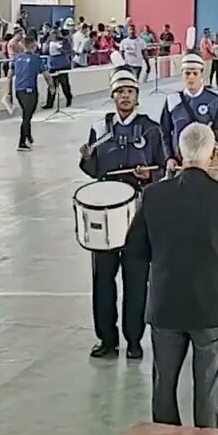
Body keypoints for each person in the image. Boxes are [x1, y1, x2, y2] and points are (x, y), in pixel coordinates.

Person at [122, 123, 218, 429]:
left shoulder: (154, 195)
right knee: (207, 388)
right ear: (213, 155)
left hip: (167, 304)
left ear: (180, 153)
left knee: (163, 386)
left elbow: (135, 248)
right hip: (213, 306)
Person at [79, 69, 165, 360]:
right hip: (105, 215)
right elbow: (92, 171)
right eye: (120, 91)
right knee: (103, 279)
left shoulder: (151, 130)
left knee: (136, 280)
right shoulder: (100, 129)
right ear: (113, 96)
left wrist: (148, 175)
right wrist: (87, 158)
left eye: (130, 91)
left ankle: (134, 339)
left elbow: (162, 168)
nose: (125, 96)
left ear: (137, 96)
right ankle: (106, 338)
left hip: (138, 214)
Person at [161, 52, 218, 180]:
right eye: (187, 73)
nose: (191, 77)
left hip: (207, 167)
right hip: (179, 166)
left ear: (202, 73)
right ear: (182, 74)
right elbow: (164, 132)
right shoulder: (172, 100)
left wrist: (211, 134)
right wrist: (169, 157)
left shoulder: (215, 101)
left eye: (195, 73)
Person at [11, 37, 49, 151]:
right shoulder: (36, 59)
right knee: (27, 116)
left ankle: (28, 134)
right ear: (33, 46)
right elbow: (46, 75)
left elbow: (10, 75)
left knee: (26, 114)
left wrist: (8, 92)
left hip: (19, 90)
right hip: (30, 91)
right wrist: (51, 86)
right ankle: (22, 142)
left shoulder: (17, 58)